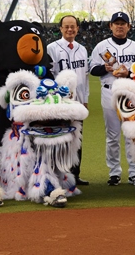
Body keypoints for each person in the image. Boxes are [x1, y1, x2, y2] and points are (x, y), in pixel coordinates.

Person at [89, 11, 135, 186]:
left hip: (131, 94)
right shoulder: (100, 47)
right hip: (109, 92)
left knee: (131, 135)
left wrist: (128, 73)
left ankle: (134, 172)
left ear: (128, 26)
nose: (120, 26)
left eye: (123, 23)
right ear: (111, 26)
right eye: (116, 23)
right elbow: (92, 69)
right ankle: (114, 172)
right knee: (112, 136)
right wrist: (105, 68)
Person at [47, 15, 89, 186]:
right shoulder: (52, 48)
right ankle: (58, 174)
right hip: (59, 101)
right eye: (66, 26)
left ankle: (75, 174)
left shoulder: (82, 49)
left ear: (78, 28)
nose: (70, 29)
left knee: (77, 137)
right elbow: (49, 75)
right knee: (60, 137)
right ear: (61, 28)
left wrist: (85, 99)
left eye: (73, 26)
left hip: (78, 101)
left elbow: (85, 77)